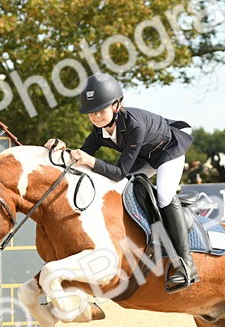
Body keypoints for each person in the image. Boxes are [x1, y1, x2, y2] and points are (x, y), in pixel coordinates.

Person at [48, 73, 198, 291]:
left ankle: (186, 265)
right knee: (122, 189)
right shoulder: (99, 131)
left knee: (165, 195)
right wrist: (62, 149)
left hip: (168, 152)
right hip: (146, 157)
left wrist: (91, 161)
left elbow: (118, 171)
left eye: (101, 110)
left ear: (116, 105)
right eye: (91, 112)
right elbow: (80, 156)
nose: (97, 116)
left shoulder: (134, 126)